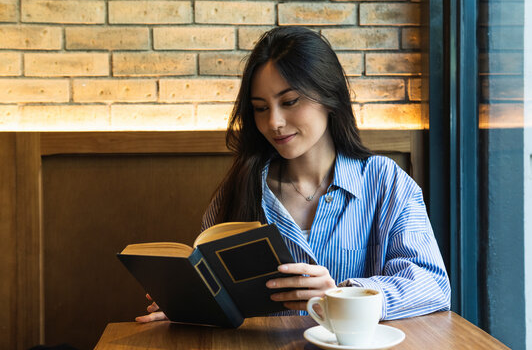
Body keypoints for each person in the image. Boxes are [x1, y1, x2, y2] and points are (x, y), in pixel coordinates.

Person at [136, 26, 451, 323]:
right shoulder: (239, 190)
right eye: (261, 108)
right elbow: (222, 302)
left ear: (329, 96)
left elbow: (431, 284)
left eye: (289, 102)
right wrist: (192, 306)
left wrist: (344, 296)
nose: (274, 122)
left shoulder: (385, 183)